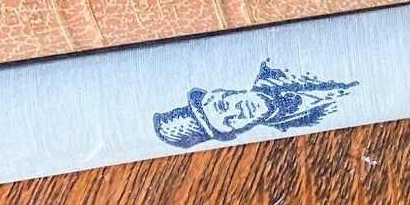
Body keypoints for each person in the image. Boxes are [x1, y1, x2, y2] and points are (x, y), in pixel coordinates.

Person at [153, 60, 358, 149]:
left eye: (224, 105)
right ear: (235, 132)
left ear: (221, 92)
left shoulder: (276, 66)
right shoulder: (289, 127)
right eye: (229, 122)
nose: (237, 113)